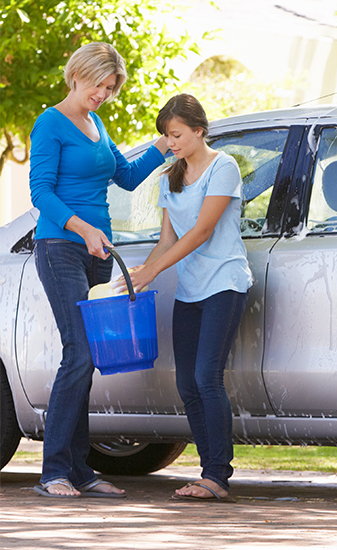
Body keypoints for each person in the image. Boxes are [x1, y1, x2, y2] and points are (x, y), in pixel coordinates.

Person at [29, 42, 168, 498]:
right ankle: (53, 472)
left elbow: (125, 175)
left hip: (96, 252)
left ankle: (81, 470)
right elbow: (41, 194)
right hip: (61, 247)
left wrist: (162, 147)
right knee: (80, 354)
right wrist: (85, 229)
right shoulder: (50, 124)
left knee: (87, 361)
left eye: (109, 89)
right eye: (98, 85)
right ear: (78, 74)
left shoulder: (96, 124)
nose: (103, 94)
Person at [116, 94, 252, 501]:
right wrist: (138, 273)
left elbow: (202, 231)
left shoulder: (223, 166)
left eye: (176, 134)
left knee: (206, 377)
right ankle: (208, 472)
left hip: (224, 283)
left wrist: (156, 270)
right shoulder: (168, 178)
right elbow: (168, 239)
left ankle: (217, 476)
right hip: (191, 289)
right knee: (186, 382)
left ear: (199, 130)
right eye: (166, 136)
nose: (170, 142)